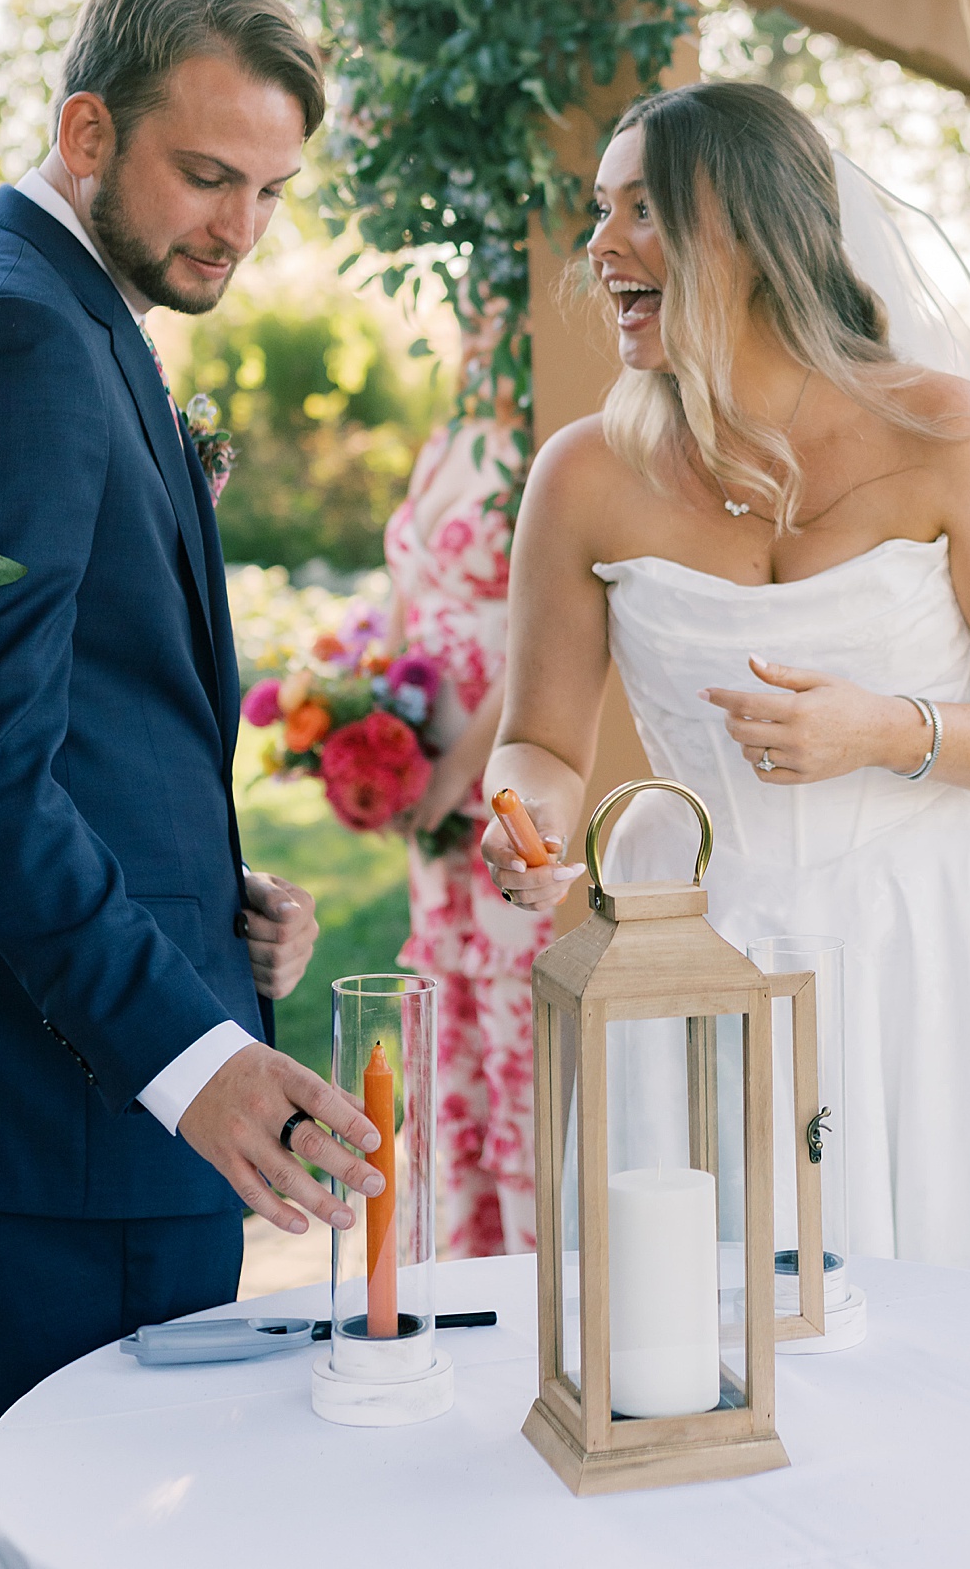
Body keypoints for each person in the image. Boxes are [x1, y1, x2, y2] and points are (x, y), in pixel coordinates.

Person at [0, 0, 383, 1569]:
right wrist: (197, 1059)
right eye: (207, 175)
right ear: (86, 126)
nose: (241, 228)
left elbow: (63, 716)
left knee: (64, 1517)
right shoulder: (13, 332)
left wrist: (219, 895)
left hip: (66, 1073)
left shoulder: (48, 305)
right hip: (60, 1101)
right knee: (114, 1523)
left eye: (269, 189)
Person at [482, 79, 970, 1316]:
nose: (602, 247)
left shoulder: (951, 438)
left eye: (644, 209)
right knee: (700, 1324)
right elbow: (538, 739)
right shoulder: (582, 474)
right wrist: (526, 821)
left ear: (750, 230)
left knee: (968, 1307)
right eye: (601, 210)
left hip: (939, 947)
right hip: (698, 942)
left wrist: (887, 730)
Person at [385, 309, 550, 1257]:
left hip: (500, 777)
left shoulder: (540, 445)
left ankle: (529, 1246)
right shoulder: (449, 439)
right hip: (431, 796)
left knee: (510, 1015)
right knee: (446, 1016)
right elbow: (405, 601)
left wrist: (456, 771)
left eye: (502, 310)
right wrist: (382, 741)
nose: (484, 333)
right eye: (474, 316)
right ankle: (458, 1249)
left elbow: (541, 633)